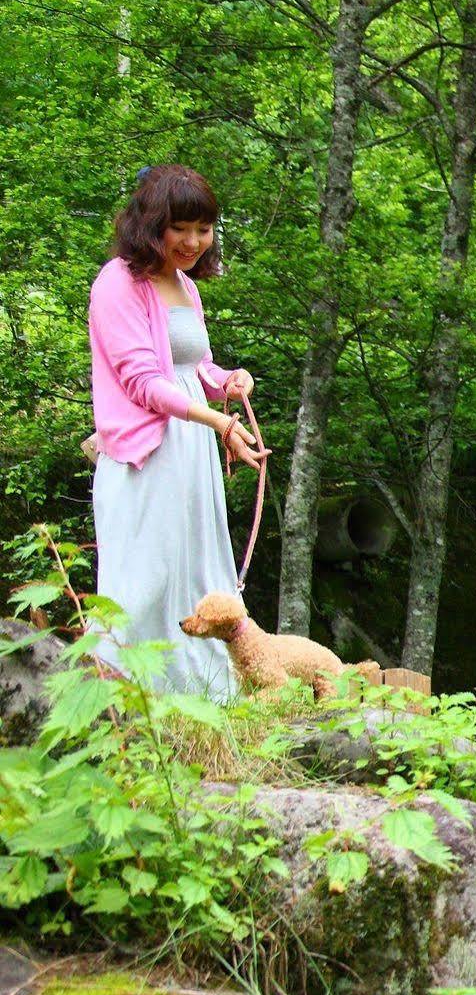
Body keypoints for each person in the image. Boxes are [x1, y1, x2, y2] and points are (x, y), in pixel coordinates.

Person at [87, 165, 267, 699]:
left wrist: (228, 383)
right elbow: (143, 382)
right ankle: (123, 698)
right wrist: (213, 418)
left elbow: (193, 368)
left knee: (194, 570)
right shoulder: (118, 282)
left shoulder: (185, 284)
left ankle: (204, 699)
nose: (193, 241)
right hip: (147, 454)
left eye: (204, 228)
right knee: (145, 581)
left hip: (191, 453)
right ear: (150, 224)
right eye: (180, 228)